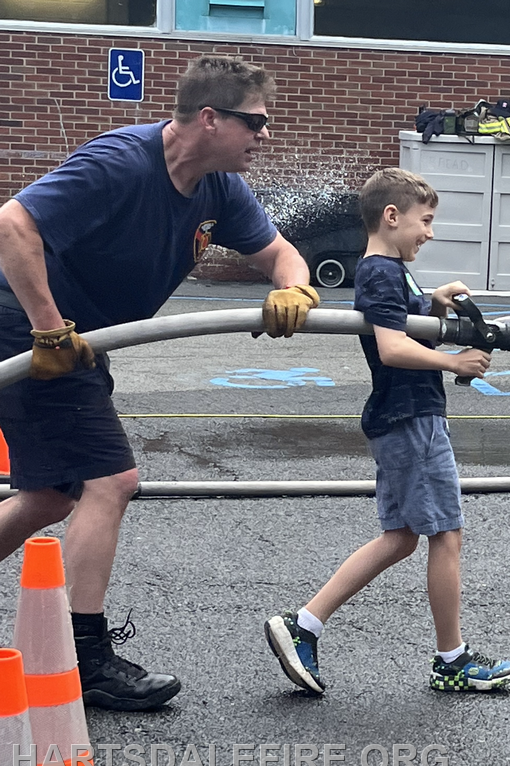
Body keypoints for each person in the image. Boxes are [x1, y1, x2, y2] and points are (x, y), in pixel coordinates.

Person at [0, 54, 320, 711]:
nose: (265, 136)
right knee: (110, 481)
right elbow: (12, 225)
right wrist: (48, 328)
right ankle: (86, 659)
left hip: (77, 338)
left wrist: (295, 289)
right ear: (210, 118)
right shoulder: (120, 163)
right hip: (30, 326)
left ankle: (81, 653)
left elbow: (280, 253)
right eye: (256, 123)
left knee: (52, 493)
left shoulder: (218, 187)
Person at [265, 168, 510, 694]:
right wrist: (454, 362)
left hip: (403, 417)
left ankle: (303, 625)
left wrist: (434, 302)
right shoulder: (380, 271)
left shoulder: (391, 270)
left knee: (401, 538)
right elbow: (391, 348)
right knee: (446, 535)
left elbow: (402, 321)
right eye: (425, 221)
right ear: (391, 216)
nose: (429, 232)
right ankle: (452, 660)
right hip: (411, 419)